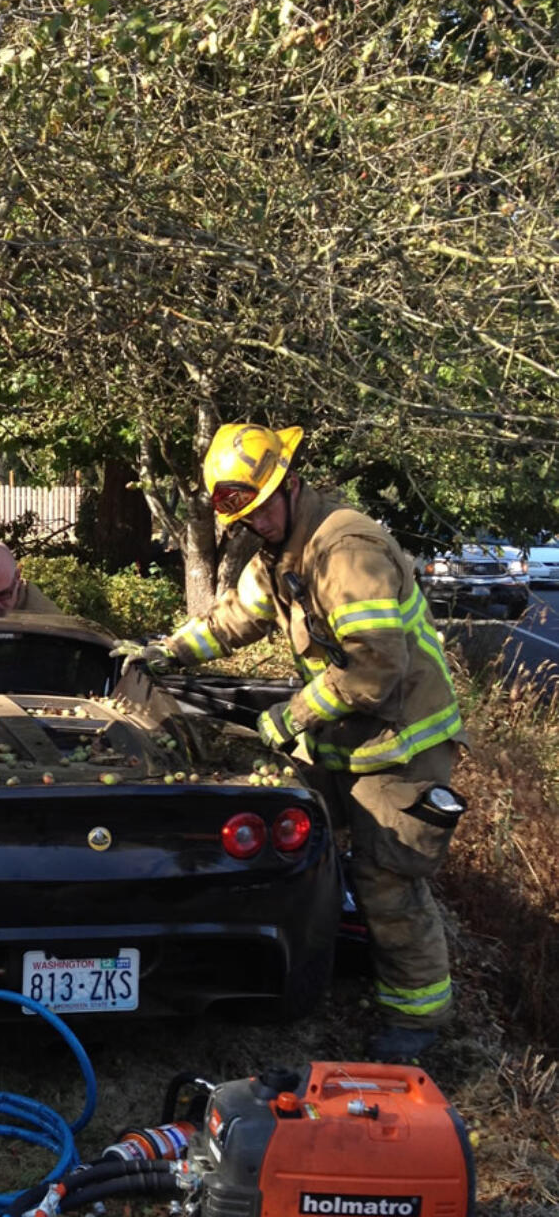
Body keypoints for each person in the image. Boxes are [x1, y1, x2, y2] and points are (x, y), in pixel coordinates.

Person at [111, 423, 466, 1063]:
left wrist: (291, 716)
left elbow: (375, 669)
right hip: (346, 736)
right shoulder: (282, 549)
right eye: (243, 517)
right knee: (312, 854)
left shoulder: (346, 549)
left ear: (289, 484)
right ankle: (323, 961)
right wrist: (166, 652)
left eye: (260, 511)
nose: (256, 526)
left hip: (401, 744)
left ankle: (417, 1018)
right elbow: (233, 619)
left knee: (387, 879)